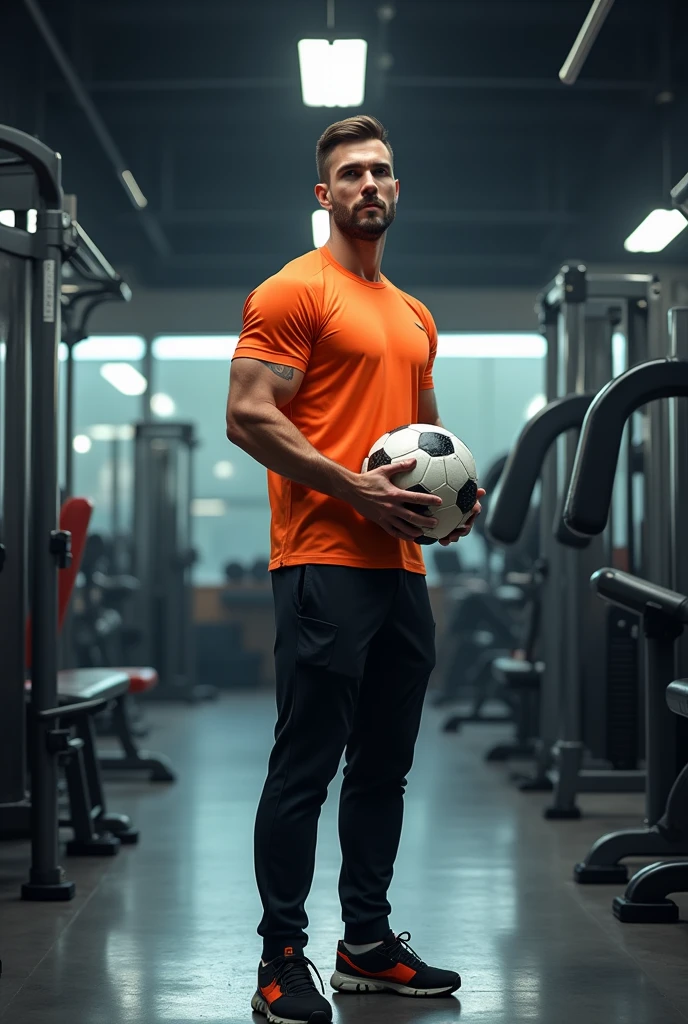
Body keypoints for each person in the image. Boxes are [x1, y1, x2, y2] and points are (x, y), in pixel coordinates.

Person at [226, 114, 485, 1024]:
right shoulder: (295, 291)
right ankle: (280, 957)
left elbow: (423, 440)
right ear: (323, 194)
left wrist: (453, 501)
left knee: (385, 768)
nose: (368, 185)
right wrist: (356, 491)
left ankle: (366, 945)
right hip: (322, 559)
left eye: (380, 171)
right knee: (307, 766)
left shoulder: (414, 315)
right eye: (350, 174)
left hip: (401, 570)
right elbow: (249, 415)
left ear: (396, 189)